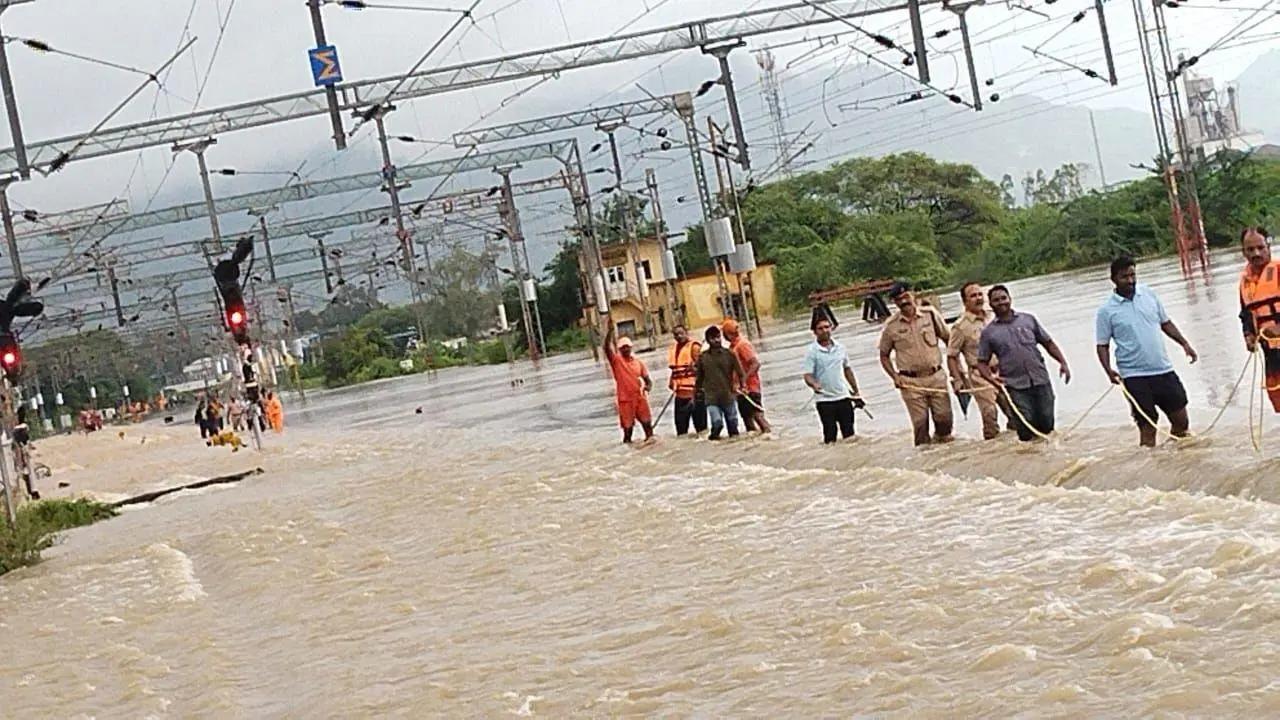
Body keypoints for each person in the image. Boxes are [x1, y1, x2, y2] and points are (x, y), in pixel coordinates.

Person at [1096, 256, 1198, 446]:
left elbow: (1165, 323)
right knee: (1148, 425)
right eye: (1124, 277)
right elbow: (1102, 345)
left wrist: (1184, 344)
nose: (1130, 281)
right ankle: (1150, 466)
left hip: (1163, 369)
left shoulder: (1149, 295)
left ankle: (1175, 459)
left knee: (1181, 422)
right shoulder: (1106, 311)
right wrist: (1108, 370)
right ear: (1114, 279)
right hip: (1134, 376)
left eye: (1133, 275)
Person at [977, 285, 1072, 442]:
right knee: (1026, 423)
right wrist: (991, 379)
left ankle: (1049, 456)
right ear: (991, 304)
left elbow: (1048, 343)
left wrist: (1063, 362)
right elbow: (981, 362)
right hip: (1015, 385)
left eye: (1003, 298)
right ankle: (1029, 457)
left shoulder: (1028, 319)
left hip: (1040, 378)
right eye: (996, 300)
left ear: (1010, 299)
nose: (1001, 303)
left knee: (1047, 421)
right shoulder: (988, 333)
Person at [878, 282, 954, 446]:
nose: (904, 301)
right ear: (895, 303)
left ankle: (945, 452)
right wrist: (894, 377)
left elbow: (949, 340)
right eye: (899, 299)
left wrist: (957, 369)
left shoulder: (930, 315)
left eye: (906, 296)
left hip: (936, 377)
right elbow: (884, 355)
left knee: (944, 419)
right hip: (910, 382)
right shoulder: (891, 326)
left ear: (913, 295)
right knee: (920, 423)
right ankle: (924, 458)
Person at [947, 281, 1013, 440]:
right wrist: (957, 379)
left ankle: (1015, 444)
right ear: (965, 301)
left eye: (979, 294)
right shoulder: (960, 327)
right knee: (990, 413)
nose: (978, 298)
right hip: (979, 375)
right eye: (973, 296)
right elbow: (952, 355)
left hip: (1003, 370)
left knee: (1015, 410)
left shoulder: (994, 315)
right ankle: (992, 446)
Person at [803, 313, 865, 444]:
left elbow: (847, 369)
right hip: (825, 400)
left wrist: (856, 391)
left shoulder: (840, 348)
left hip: (844, 397)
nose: (825, 330)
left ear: (831, 328)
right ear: (814, 332)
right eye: (820, 328)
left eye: (827, 327)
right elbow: (807, 375)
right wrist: (814, 384)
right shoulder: (812, 351)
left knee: (850, 436)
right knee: (830, 437)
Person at [1239, 227, 1280, 412]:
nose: (1256, 253)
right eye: (1250, 249)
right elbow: (1246, 314)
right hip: (1271, 356)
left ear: (1268, 247)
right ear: (1243, 252)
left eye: (1260, 247)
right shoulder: (1245, 283)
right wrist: (1248, 334)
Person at [603, 324, 654, 444]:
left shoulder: (638, 363)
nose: (626, 349)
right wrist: (609, 333)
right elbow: (606, 348)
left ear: (631, 348)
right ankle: (628, 451)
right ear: (620, 350)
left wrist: (648, 386)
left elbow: (647, 379)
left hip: (640, 397)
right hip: (625, 400)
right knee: (628, 430)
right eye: (623, 348)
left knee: (648, 426)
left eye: (627, 347)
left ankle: (651, 447)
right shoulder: (616, 361)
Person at [694, 325, 745, 440]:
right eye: (713, 338)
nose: (716, 340)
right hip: (711, 398)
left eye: (718, 337)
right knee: (717, 423)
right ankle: (714, 442)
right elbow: (699, 378)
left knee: (733, 425)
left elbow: (740, 373)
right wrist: (696, 394)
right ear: (708, 340)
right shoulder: (703, 358)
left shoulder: (730, 354)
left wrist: (742, 387)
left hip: (728, 395)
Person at [723, 318, 771, 434]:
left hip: (751, 388)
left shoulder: (742, 345)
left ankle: (768, 435)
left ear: (728, 334)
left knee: (757, 415)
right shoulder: (733, 347)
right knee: (747, 418)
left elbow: (755, 364)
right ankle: (756, 443)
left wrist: (743, 380)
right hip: (740, 391)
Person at [666, 324, 707, 436]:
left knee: (701, 430)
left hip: (695, 394)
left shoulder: (694, 347)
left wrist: (695, 367)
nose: (679, 336)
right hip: (680, 395)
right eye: (676, 334)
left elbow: (702, 369)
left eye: (681, 333)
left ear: (686, 333)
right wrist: (671, 382)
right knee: (681, 431)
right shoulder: (673, 349)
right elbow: (675, 369)